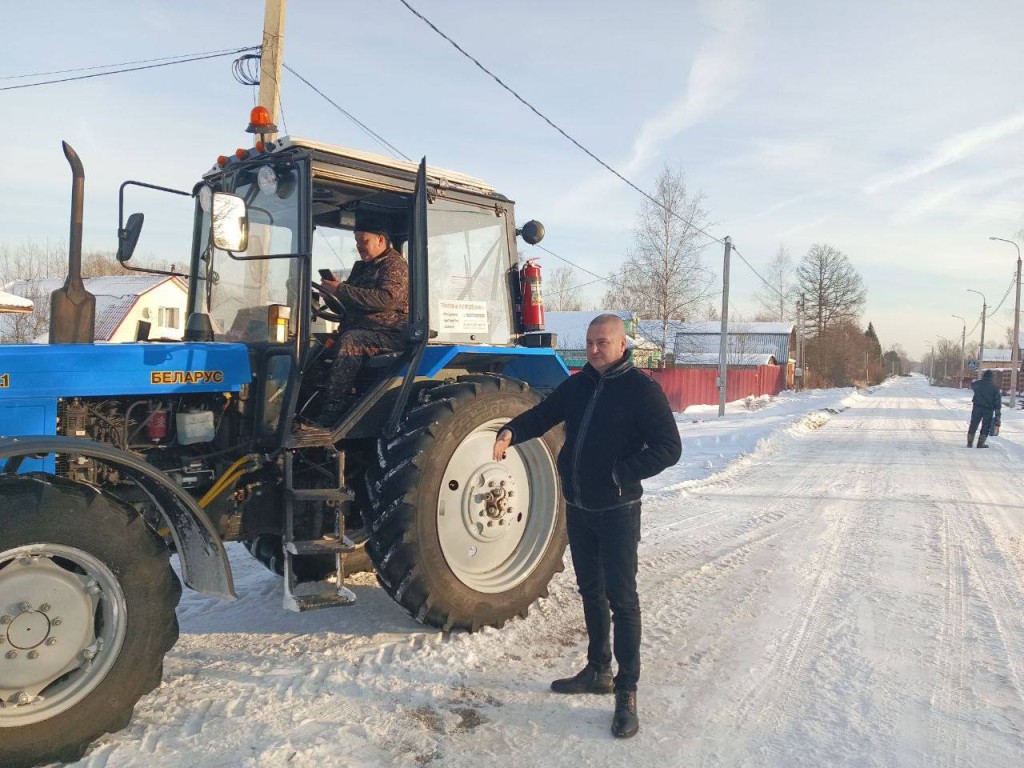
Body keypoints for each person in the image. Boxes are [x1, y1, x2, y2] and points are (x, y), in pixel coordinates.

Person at [491, 314, 681, 739]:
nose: (594, 349)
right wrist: (509, 431)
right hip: (578, 508)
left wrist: (619, 474)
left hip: (617, 511)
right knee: (590, 590)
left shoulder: (641, 390)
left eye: (603, 342)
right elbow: (542, 415)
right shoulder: (578, 385)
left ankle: (626, 691)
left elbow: (670, 448)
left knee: (622, 598)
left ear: (621, 344)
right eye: (590, 342)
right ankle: (598, 669)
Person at [311, 213, 408, 428]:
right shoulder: (361, 267)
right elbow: (348, 303)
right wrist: (333, 295)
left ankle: (334, 410)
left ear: (380, 240)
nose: (359, 247)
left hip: (389, 334)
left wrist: (342, 290)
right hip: (359, 328)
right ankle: (308, 406)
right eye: (356, 242)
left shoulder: (394, 265)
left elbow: (386, 300)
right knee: (312, 345)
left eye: (364, 242)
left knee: (351, 341)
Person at [968, 369, 1001, 448]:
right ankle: (980, 443)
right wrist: (998, 414)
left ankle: (969, 443)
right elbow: (997, 402)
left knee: (973, 424)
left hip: (977, 407)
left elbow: (972, 385)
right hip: (988, 410)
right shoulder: (995, 387)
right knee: (986, 426)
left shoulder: (977, 384)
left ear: (984, 376)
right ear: (992, 377)